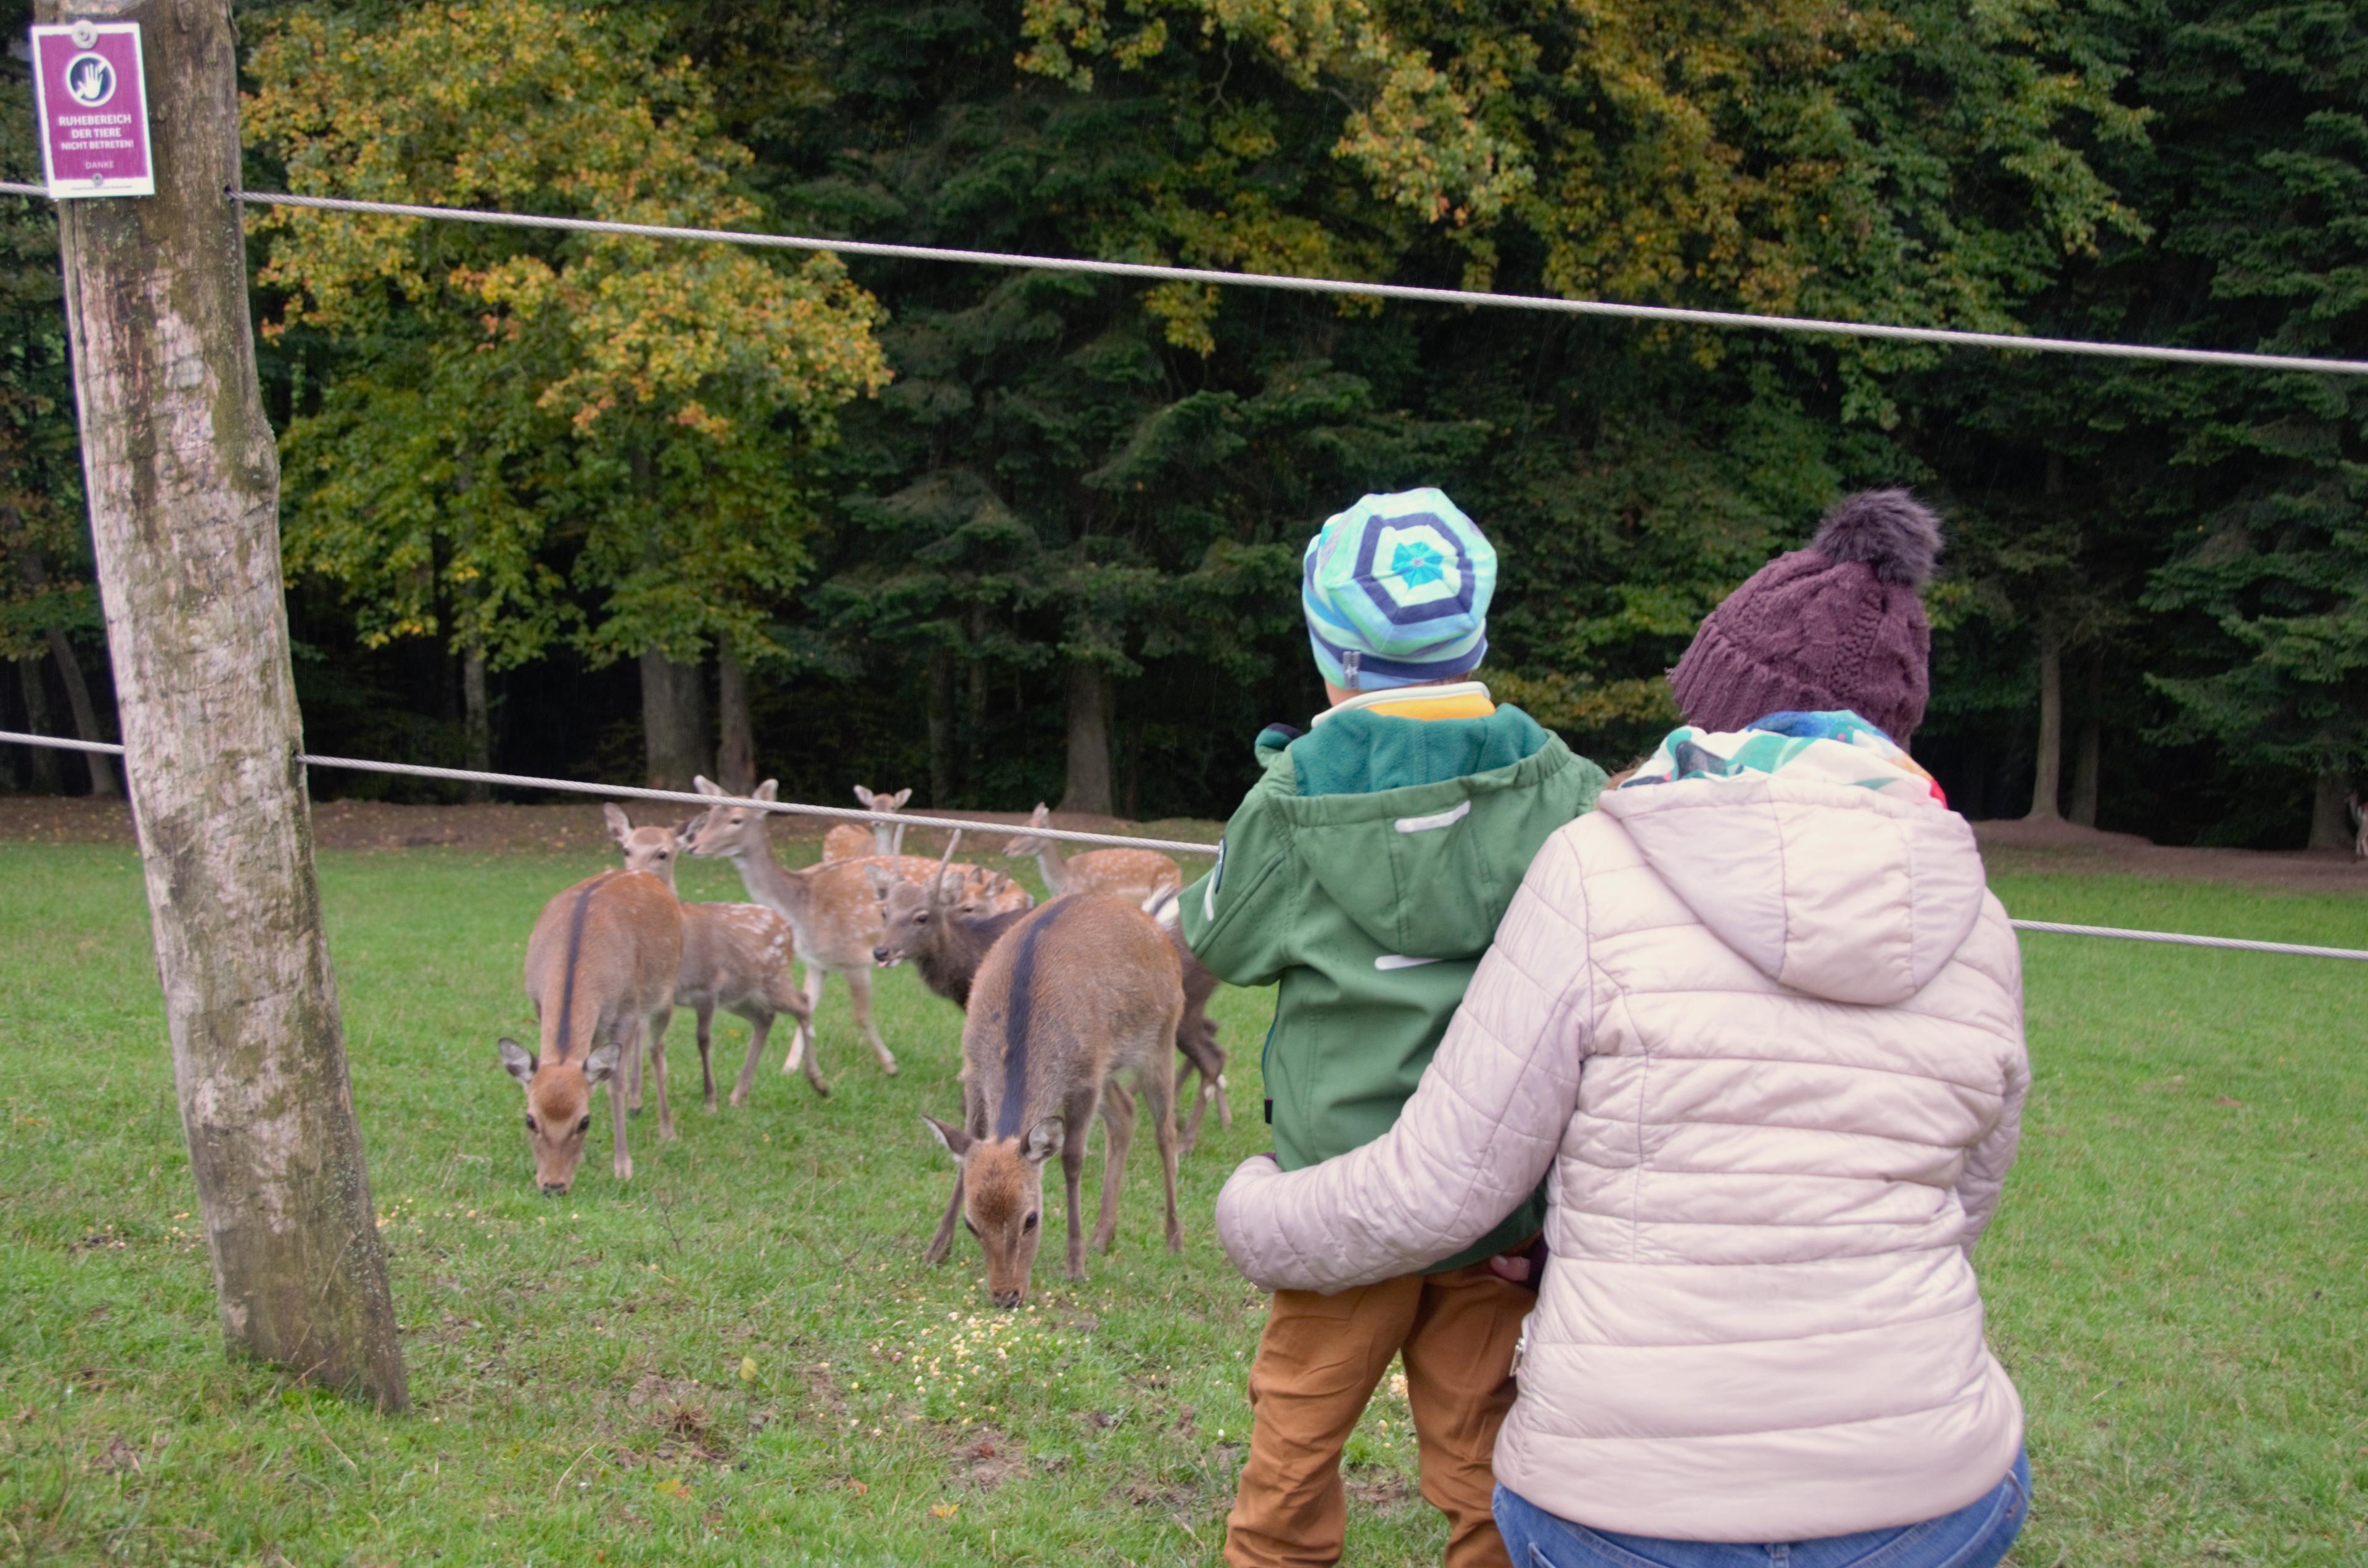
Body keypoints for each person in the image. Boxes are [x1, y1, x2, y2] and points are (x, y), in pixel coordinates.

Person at [1215, 490, 2033, 1568]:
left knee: (1325, 1446)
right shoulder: (1979, 923)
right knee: (1473, 1451)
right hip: (1937, 1497)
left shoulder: (1601, 868)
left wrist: (1254, 1209)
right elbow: (1963, 1202)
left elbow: (1429, 1180)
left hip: (1607, 1486)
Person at [1181, 488, 1609, 1568]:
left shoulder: (1291, 798)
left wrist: (1282, 780)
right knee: (1487, 1462)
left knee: (1294, 1442)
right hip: (1495, 1200)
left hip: (1340, 1198)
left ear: (1335, 659)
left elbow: (1222, 942)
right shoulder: (1564, 786)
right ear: (1478, 637)